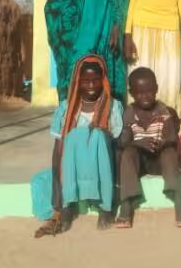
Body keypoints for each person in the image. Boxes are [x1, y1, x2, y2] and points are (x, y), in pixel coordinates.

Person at [34, 55, 124, 237]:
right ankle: (66, 207)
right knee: (70, 139)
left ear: (103, 80)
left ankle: (106, 207)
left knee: (99, 136)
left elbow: (116, 141)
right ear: (78, 81)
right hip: (74, 163)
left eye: (96, 80)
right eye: (86, 81)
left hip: (101, 161)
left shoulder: (113, 106)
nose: (91, 85)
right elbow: (59, 144)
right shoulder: (66, 109)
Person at [116, 67, 181, 229]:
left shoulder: (163, 111)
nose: (145, 96)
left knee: (169, 153)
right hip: (140, 163)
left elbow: (172, 137)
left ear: (156, 89)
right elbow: (123, 141)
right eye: (139, 93)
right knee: (128, 153)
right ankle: (126, 204)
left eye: (149, 91)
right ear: (131, 93)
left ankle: (179, 203)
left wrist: (163, 143)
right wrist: (138, 143)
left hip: (159, 161)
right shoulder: (129, 112)